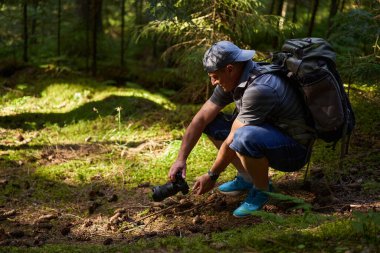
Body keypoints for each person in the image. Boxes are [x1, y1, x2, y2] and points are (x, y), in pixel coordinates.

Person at [168, 41, 313, 217]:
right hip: (270, 134)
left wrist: (212, 175)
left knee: (244, 136)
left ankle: (262, 191)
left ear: (229, 69)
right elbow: (201, 118)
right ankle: (247, 178)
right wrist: (180, 159)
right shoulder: (233, 78)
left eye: (215, 76)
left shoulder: (260, 88)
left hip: (293, 151)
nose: (213, 82)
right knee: (212, 123)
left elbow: (232, 140)